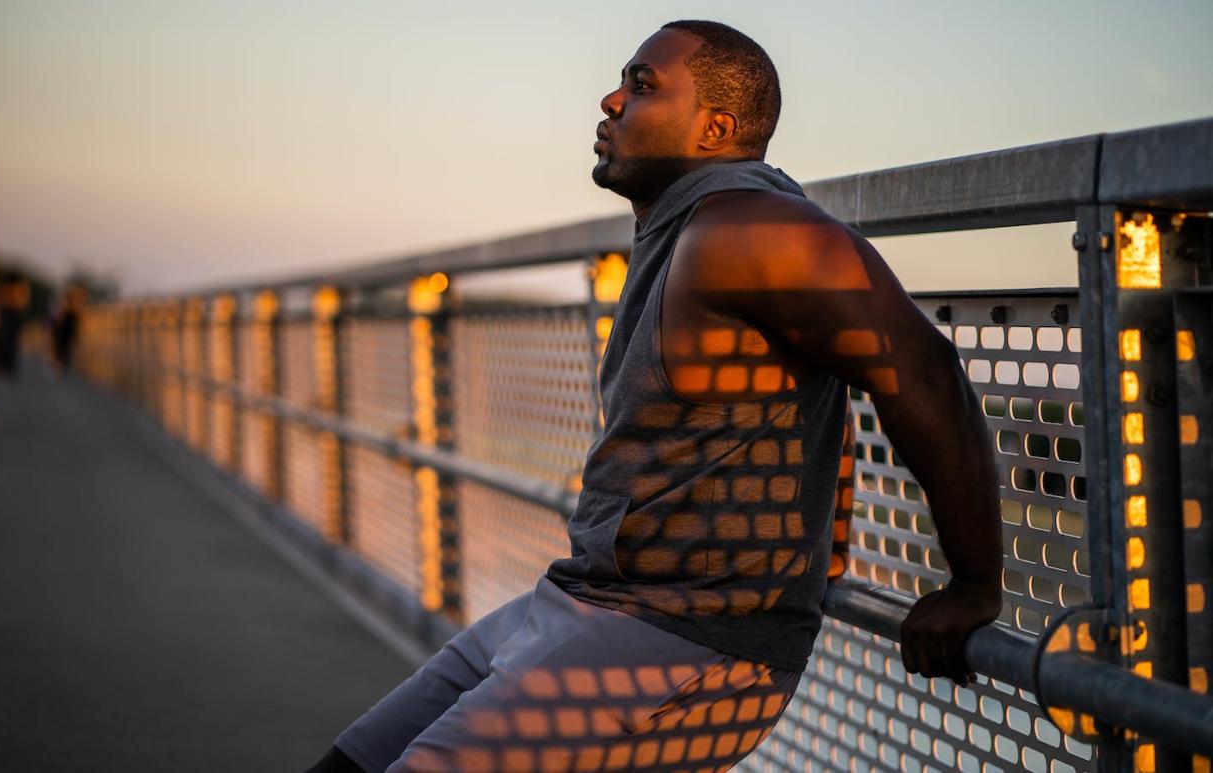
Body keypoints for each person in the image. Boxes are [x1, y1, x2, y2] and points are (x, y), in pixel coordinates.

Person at [309, 19, 1002, 772]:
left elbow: (923, 370)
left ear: (715, 129)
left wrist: (973, 581)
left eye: (642, 86)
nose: (610, 100)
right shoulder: (681, 230)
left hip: (681, 638)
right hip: (582, 600)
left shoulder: (747, 227)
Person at [50, 283, 86, 376]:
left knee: (62, 348)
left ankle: (60, 367)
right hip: (66, 329)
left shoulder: (68, 309)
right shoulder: (72, 310)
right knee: (64, 348)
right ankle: (61, 367)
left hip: (64, 329)